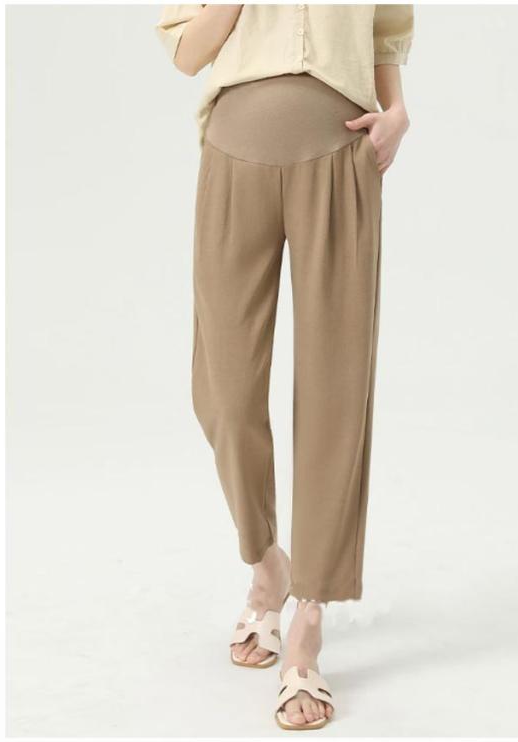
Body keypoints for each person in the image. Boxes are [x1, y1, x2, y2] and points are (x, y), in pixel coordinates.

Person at [156, 3, 413, 730]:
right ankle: (266, 560)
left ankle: (308, 620)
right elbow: (186, 54)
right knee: (225, 389)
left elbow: (387, 30)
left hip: (341, 156)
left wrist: (397, 111)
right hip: (233, 155)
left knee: (337, 389)